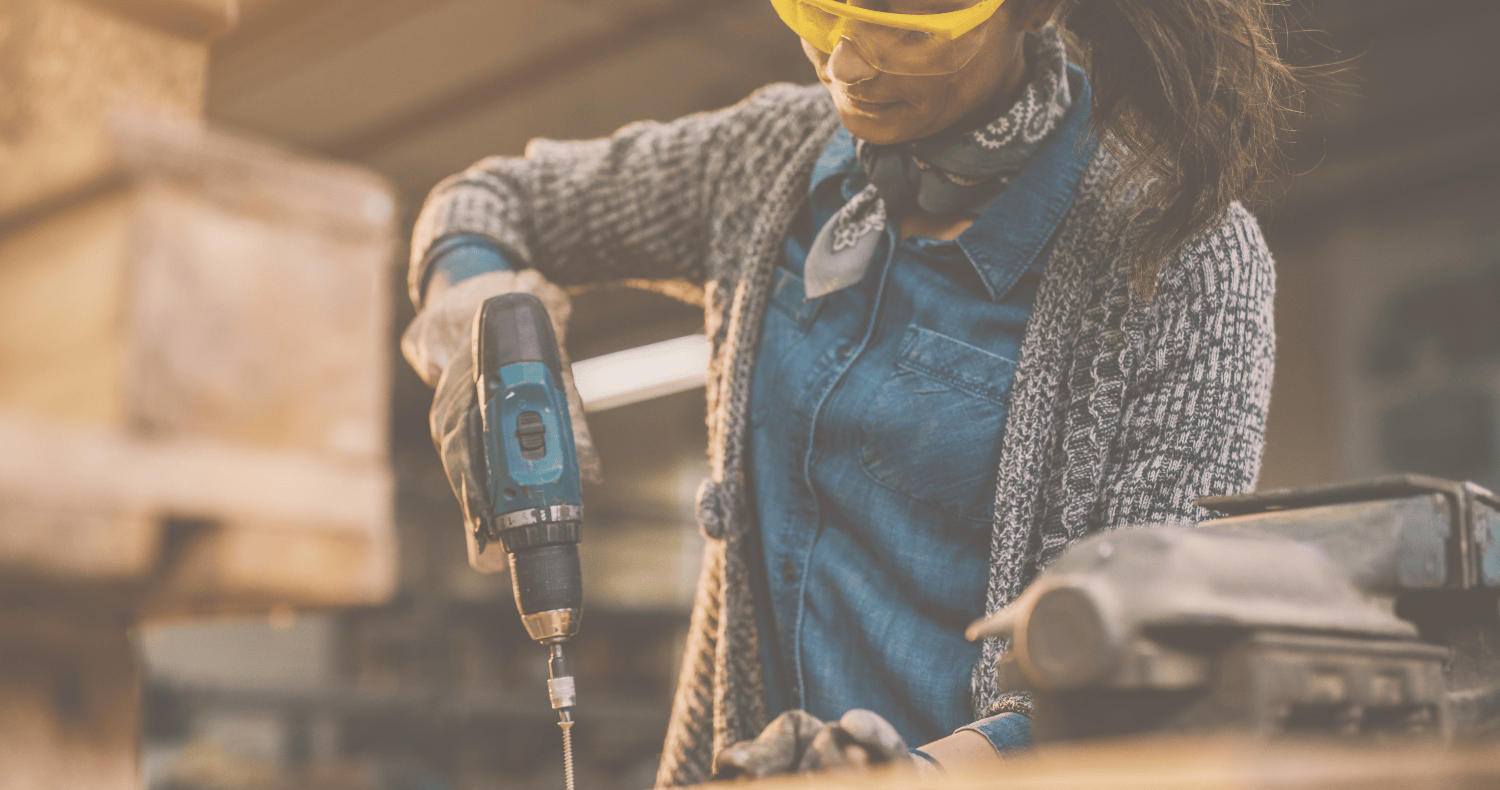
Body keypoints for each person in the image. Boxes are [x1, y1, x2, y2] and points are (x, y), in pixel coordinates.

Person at [401, 0, 1296, 784]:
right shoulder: (766, 160)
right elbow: (482, 202)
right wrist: (472, 307)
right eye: (821, 10)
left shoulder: (1180, 260)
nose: (846, 64)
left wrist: (915, 777)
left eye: (904, 30)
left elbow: (1161, 665)